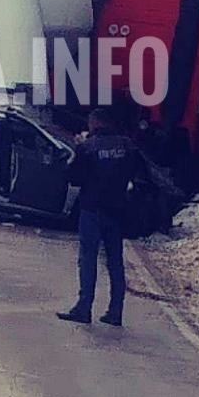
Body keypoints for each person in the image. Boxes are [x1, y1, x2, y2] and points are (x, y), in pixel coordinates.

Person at [57, 108, 144, 327]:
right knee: (115, 261)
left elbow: (73, 178)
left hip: (91, 209)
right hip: (116, 210)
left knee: (88, 259)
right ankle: (115, 311)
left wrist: (76, 152)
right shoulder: (127, 145)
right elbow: (139, 173)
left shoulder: (87, 147)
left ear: (95, 123)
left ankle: (84, 308)